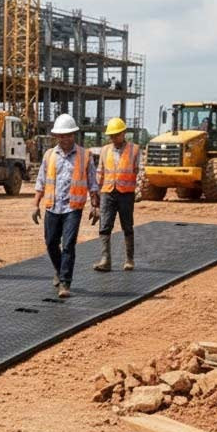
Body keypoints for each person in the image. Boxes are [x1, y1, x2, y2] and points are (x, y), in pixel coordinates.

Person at [32, 113, 99, 299]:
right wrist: (35, 205)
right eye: (61, 135)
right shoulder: (49, 155)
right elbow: (41, 181)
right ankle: (59, 269)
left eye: (68, 135)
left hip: (73, 207)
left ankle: (65, 282)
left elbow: (93, 184)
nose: (65, 139)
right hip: (52, 207)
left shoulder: (85, 156)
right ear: (56, 136)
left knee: (68, 244)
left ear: (74, 135)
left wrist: (95, 205)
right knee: (51, 242)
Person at [93, 117, 140, 272]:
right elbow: (100, 172)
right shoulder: (105, 150)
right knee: (105, 226)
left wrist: (138, 190)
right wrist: (96, 195)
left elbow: (139, 171)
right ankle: (105, 260)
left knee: (127, 226)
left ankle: (129, 259)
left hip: (126, 194)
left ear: (123, 133)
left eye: (116, 135)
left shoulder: (134, 150)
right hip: (107, 192)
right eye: (111, 136)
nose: (113, 138)